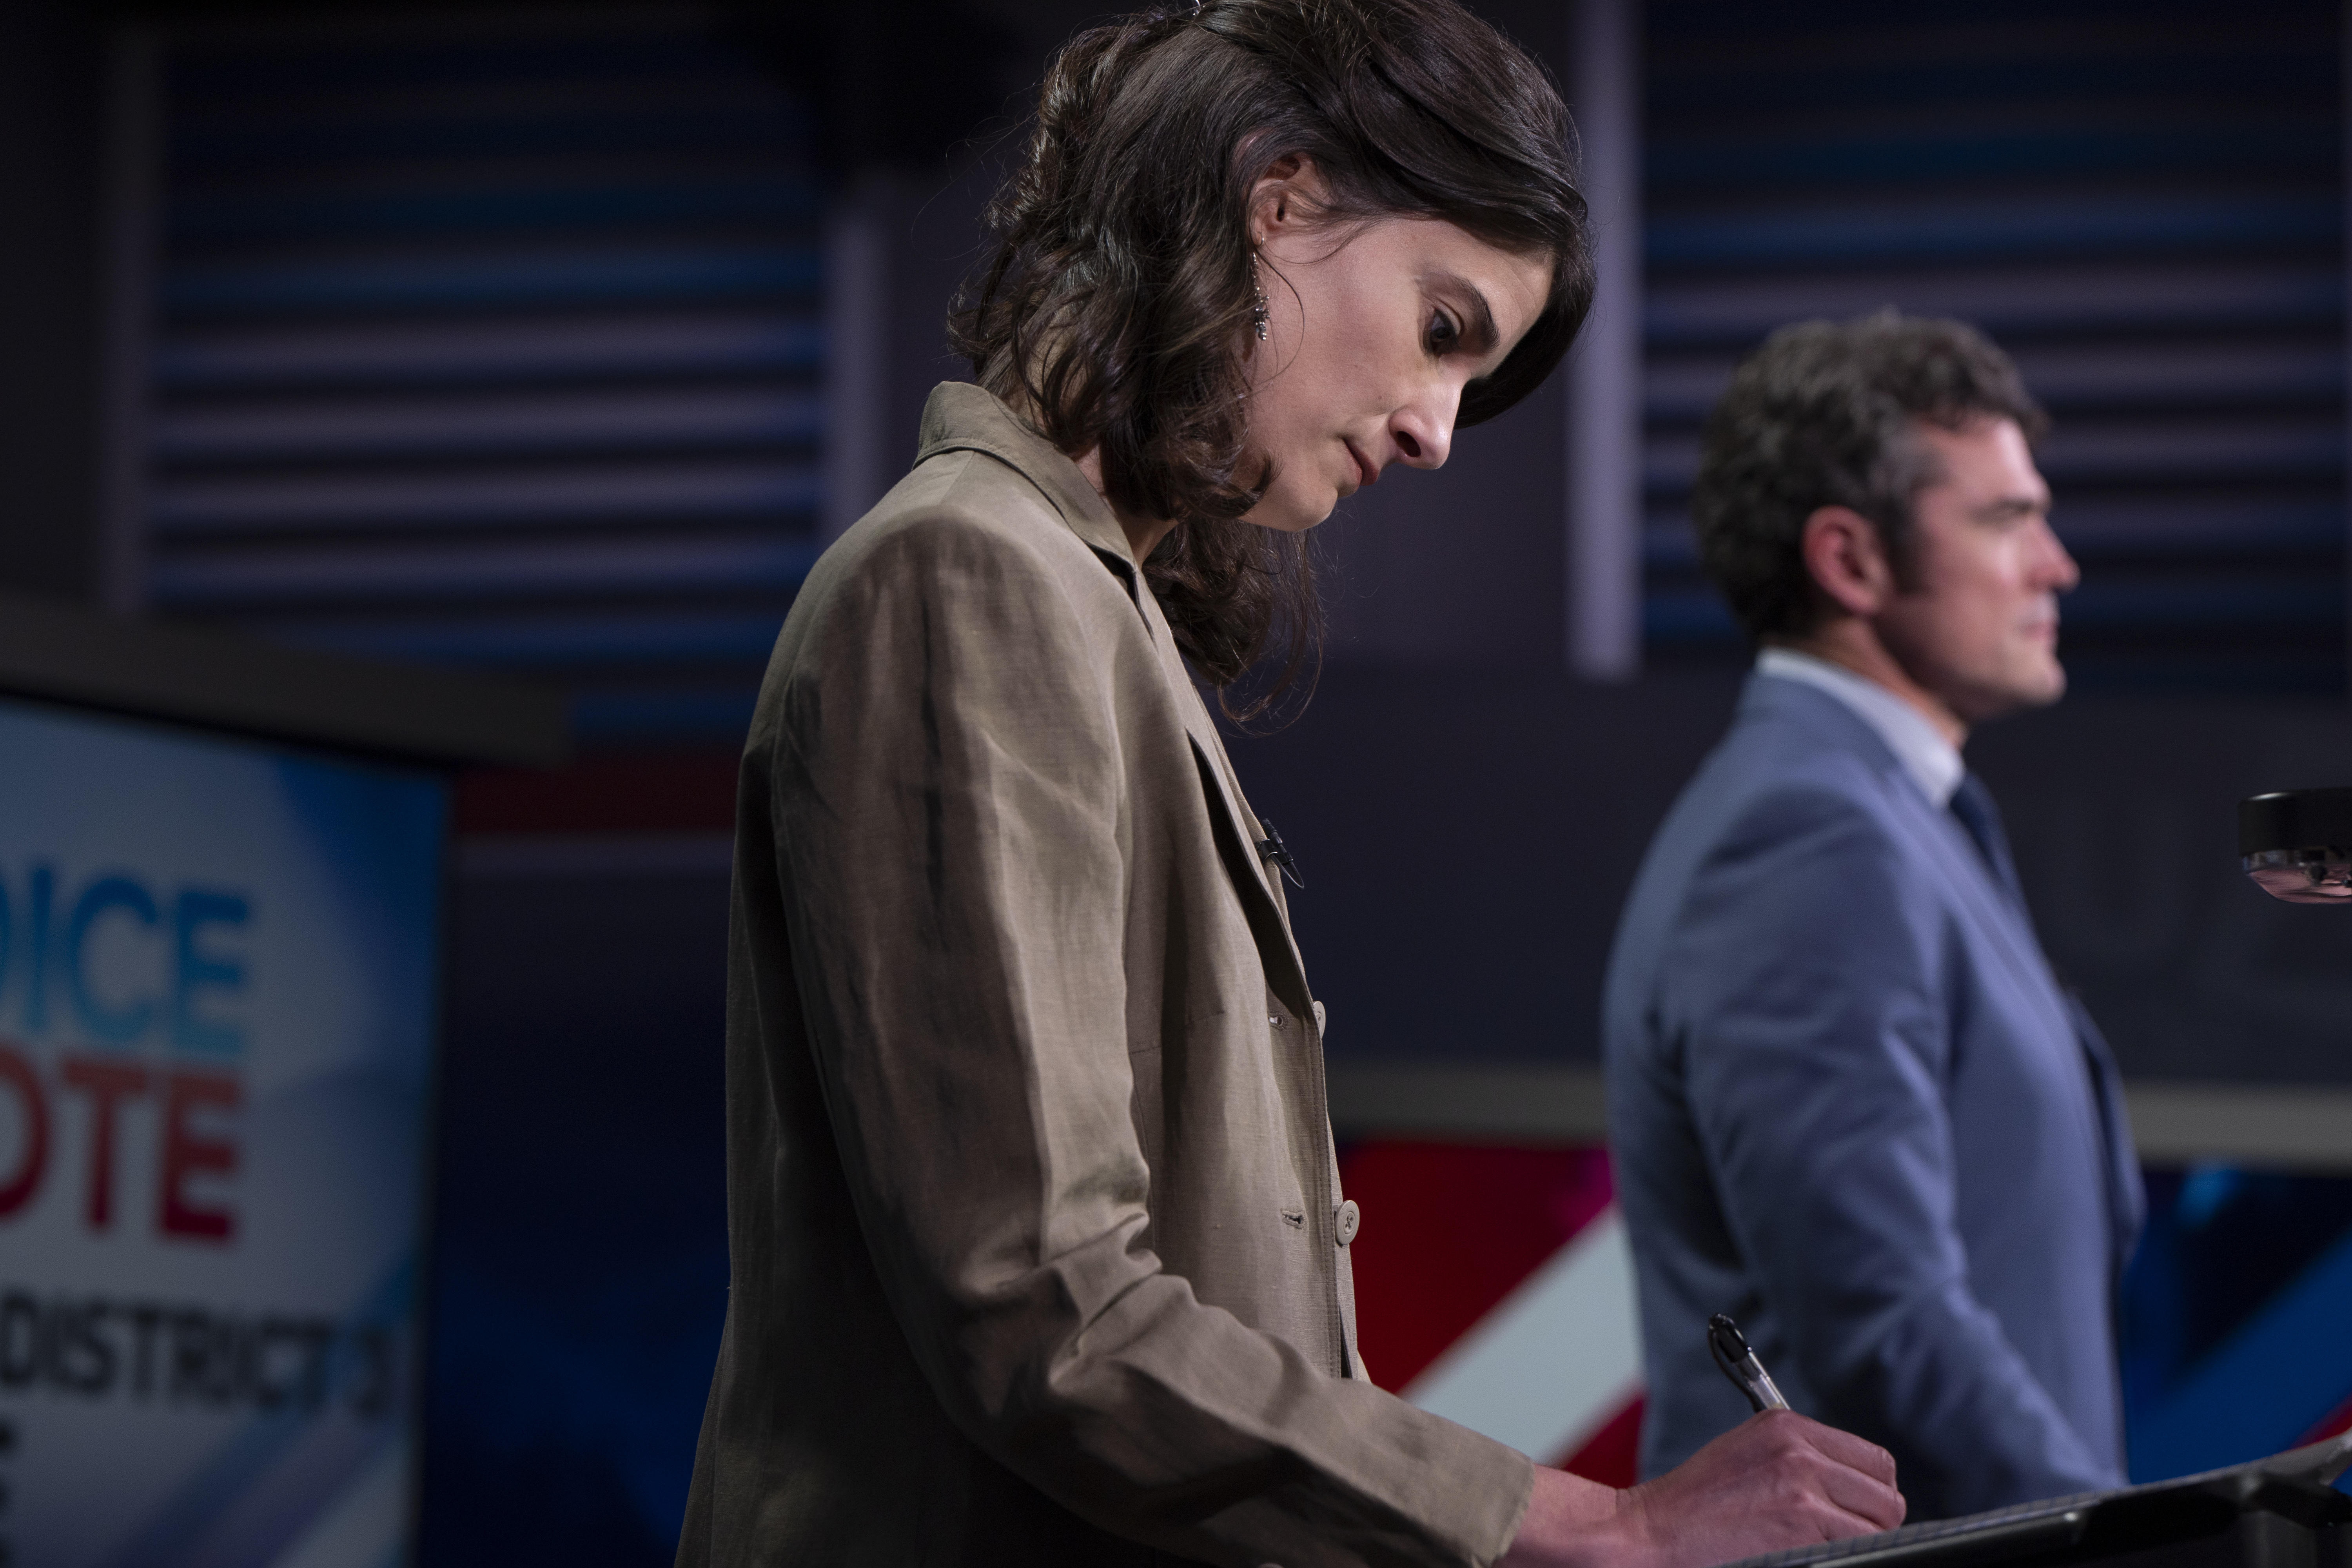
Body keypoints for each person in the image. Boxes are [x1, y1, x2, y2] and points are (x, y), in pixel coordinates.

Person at [677, 4, 1906, 1564]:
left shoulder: (1077, 605)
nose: (1439, 431)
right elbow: (1048, 1314)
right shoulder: (968, 580)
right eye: (1446, 328)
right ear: (1282, 198)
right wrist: (1594, 1524)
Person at [1602, 313, 2146, 1522]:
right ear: (1850, 562)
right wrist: (2124, 1543)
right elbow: (1884, 1327)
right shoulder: (1811, 832)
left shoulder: (1896, 810)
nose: (2056, 563)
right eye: (2008, 520)